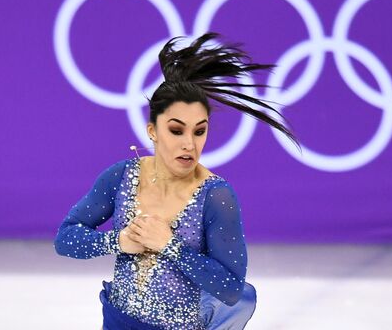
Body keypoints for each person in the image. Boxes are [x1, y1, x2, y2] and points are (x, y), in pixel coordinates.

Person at [54, 33, 298, 330]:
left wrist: (171, 246)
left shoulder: (216, 196)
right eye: (176, 130)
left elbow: (231, 288)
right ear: (152, 131)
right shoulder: (120, 176)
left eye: (199, 131)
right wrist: (118, 241)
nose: (189, 144)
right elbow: (66, 238)